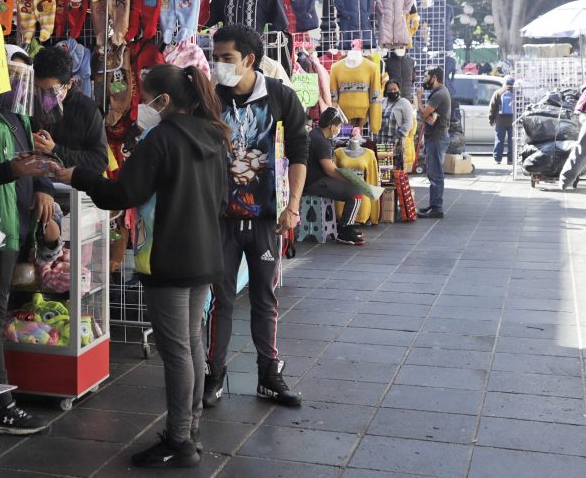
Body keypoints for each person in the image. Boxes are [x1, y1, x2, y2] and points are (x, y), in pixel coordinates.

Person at [55, 64, 229, 469]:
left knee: (177, 351)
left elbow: (124, 193)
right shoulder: (215, 135)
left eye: (144, 99)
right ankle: (191, 430)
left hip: (168, 255)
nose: (139, 108)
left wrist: (78, 175)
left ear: (163, 101)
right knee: (191, 344)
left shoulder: (161, 139)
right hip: (205, 254)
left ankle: (180, 439)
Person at [205, 24, 309, 409]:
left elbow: (300, 151)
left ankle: (269, 375)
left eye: (226, 58)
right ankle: (213, 375)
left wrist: (292, 206)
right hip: (220, 219)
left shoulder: (281, 96)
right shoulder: (210, 98)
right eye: (215, 58)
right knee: (221, 301)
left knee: (265, 298)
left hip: (268, 218)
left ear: (249, 60)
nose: (218, 66)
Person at [0, 45, 54, 435]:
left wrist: (43, 186)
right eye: (11, 72)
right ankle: (0, 404)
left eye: (23, 74)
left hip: (16, 223)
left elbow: (30, 160)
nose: (17, 80)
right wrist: (11, 170)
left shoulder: (21, 116)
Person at [30, 45, 108, 173]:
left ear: (69, 83)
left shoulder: (89, 111)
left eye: (51, 91)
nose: (44, 97)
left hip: (72, 188)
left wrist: (55, 150)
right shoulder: (29, 104)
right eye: (38, 89)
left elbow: (99, 161)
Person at [305, 107, 366, 245]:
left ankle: (346, 226)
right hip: (316, 182)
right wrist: (350, 179)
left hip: (316, 179)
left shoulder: (316, 134)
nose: (339, 129)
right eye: (338, 126)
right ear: (332, 127)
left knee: (354, 188)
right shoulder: (320, 140)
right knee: (356, 192)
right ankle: (345, 230)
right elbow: (330, 170)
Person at [415, 66, 452, 218]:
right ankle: (433, 205)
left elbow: (424, 113)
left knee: (435, 174)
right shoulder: (438, 93)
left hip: (437, 138)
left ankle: (437, 208)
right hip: (435, 137)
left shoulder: (438, 94)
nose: (424, 80)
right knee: (433, 173)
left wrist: (418, 98)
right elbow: (427, 115)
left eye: (425, 77)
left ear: (434, 77)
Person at [378, 79, 417, 172]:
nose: (392, 91)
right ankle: (386, 186)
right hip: (382, 141)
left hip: (396, 141)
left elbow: (409, 123)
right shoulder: (382, 102)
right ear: (386, 91)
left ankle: (395, 187)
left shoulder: (404, 103)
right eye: (390, 90)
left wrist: (397, 136)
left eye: (395, 89)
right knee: (385, 172)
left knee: (396, 171)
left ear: (399, 89)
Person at [488, 76, 515, 164]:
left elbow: (492, 107)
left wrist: (491, 119)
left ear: (505, 83)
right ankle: (510, 160)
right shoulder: (517, 92)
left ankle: (497, 159)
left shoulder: (498, 92)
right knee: (512, 141)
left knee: (499, 140)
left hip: (500, 120)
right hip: (513, 121)